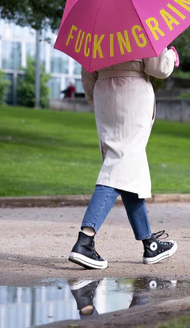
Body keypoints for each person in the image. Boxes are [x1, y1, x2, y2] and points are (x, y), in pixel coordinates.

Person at [68, 46, 180, 270]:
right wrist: (170, 56)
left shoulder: (96, 33)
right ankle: (85, 240)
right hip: (132, 95)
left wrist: (97, 98)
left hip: (104, 93)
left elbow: (87, 72)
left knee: (127, 167)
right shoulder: (143, 28)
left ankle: (149, 244)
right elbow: (157, 68)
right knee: (120, 165)